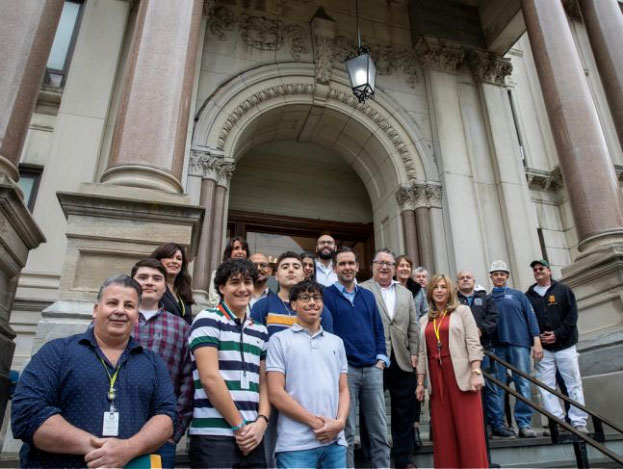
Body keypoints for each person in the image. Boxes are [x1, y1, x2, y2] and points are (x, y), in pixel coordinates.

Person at [12, 275, 176, 468]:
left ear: (137, 317)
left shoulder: (153, 363)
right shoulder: (57, 352)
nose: (120, 311)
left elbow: (166, 415)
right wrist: (100, 449)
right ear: (96, 310)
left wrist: (127, 449)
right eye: (112, 303)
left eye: (129, 306)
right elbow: (28, 413)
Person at [251, 251, 333, 466]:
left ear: (305, 274)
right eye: (285, 266)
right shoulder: (262, 307)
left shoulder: (320, 310)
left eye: (295, 266)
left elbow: (329, 349)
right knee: (271, 448)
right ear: (275, 276)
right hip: (273, 389)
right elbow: (255, 348)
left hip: (310, 389)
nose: (290, 270)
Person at [188, 258, 270, 468]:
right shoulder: (207, 319)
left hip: (253, 437)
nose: (243, 289)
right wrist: (240, 427)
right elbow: (209, 378)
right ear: (222, 287)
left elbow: (264, 383)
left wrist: (261, 422)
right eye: (235, 282)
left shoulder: (260, 330)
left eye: (248, 282)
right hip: (213, 437)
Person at [266, 280, 349, 469]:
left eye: (317, 298)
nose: (312, 302)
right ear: (293, 304)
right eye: (305, 298)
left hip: (335, 443)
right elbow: (276, 393)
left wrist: (340, 423)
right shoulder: (279, 341)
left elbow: (343, 389)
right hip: (295, 445)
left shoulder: (337, 342)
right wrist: (316, 423)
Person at [322, 247, 390, 468]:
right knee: (346, 432)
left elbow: (379, 330)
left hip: (372, 369)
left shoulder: (368, 296)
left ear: (357, 266)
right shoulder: (326, 295)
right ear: (334, 268)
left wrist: (381, 360)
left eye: (351, 263)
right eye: (342, 264)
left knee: (379, 431)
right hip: (345, 371)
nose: (347, 267)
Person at [415, 274, 488, 468]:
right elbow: (422, 353)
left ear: (450, 291)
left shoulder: (462, 311)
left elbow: (473, 342)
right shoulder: (424, 320)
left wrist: (476, 371)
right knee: (444, 434)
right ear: (430, 292)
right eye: (436, 287)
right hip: (437, 381)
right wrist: (420, 383)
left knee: (469, 433)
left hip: (462, 377)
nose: (439, 290)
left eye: (443, 287)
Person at [131, 259, 194, 467]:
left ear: (165, 286)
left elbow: (188, 381)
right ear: (132, 283)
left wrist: (175, 430)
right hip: (112, 429)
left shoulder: (180, 327)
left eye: (157, 279)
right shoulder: (115, 318)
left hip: (162, 434)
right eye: (143, 278)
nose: (150, 283)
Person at [361, 249, 419, 469]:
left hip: (402, 359)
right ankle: (370, 459)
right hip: (373, 359)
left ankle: (404, 460)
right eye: (380, 263)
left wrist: (414, 352)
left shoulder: (405, 293)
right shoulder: (362, 289)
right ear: (373, 265)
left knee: (404, 412)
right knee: (370, 413)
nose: (384, 267)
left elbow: (414, 326)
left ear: (394, 268)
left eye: (389, 263)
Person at [525, 259, 588, 433]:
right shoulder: (528, 296)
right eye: (535, 269)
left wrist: (557, 334)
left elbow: (572, 316)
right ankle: (558, 421)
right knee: (546, 386)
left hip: (565, 345)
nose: (538, 271)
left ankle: (579, 421)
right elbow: (528, 321)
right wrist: (536, 340)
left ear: (549, 271)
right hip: (543, 349)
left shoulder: (563, 290)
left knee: (573, 383)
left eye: (541, 268)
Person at [488, 259, 543, 438]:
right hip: (497, 347)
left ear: (507, 276)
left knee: (523, 384)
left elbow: (531, 318)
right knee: (498, 387)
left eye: (502, 274)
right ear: (491, 277)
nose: (499, 277)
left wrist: (537, 341)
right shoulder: (488, 299)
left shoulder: (519, 295)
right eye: (496, 274)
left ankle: (524, 423)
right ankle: (501, 424)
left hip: (520, 344)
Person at [456, 269, 502, 440]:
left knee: (490, 387)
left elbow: (493, 317)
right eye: (462, 278)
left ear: (474, 280)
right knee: (467, 389)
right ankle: (475, 426)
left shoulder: (485, 298)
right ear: (457, 282)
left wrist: (481, 330)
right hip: (461, 352)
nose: (465, 280)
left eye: (469, 277)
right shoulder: (453, 300)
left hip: (485, 349)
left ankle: (496, 423)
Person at [395, 254, 427, 447]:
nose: (404, 269)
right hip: (396, 345)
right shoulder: (390, 287)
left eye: (408, 266)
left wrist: (418, 330)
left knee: (415, 388)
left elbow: (424, 312)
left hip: (414, 344)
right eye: (401, 266)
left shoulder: (418, 290)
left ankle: (415, 428)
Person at [151, 243, 195, 324]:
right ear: (158, 260)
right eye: (170, 257)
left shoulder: (183, 291)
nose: (174, 261)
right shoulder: (151, 286)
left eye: (178, 258)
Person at [207, 236, 250, 306]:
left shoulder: (251, 274)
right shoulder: (218, 274)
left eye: (243, 249)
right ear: (230, 252)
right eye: (236, 248)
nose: (240, 252)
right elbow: (214, 299)